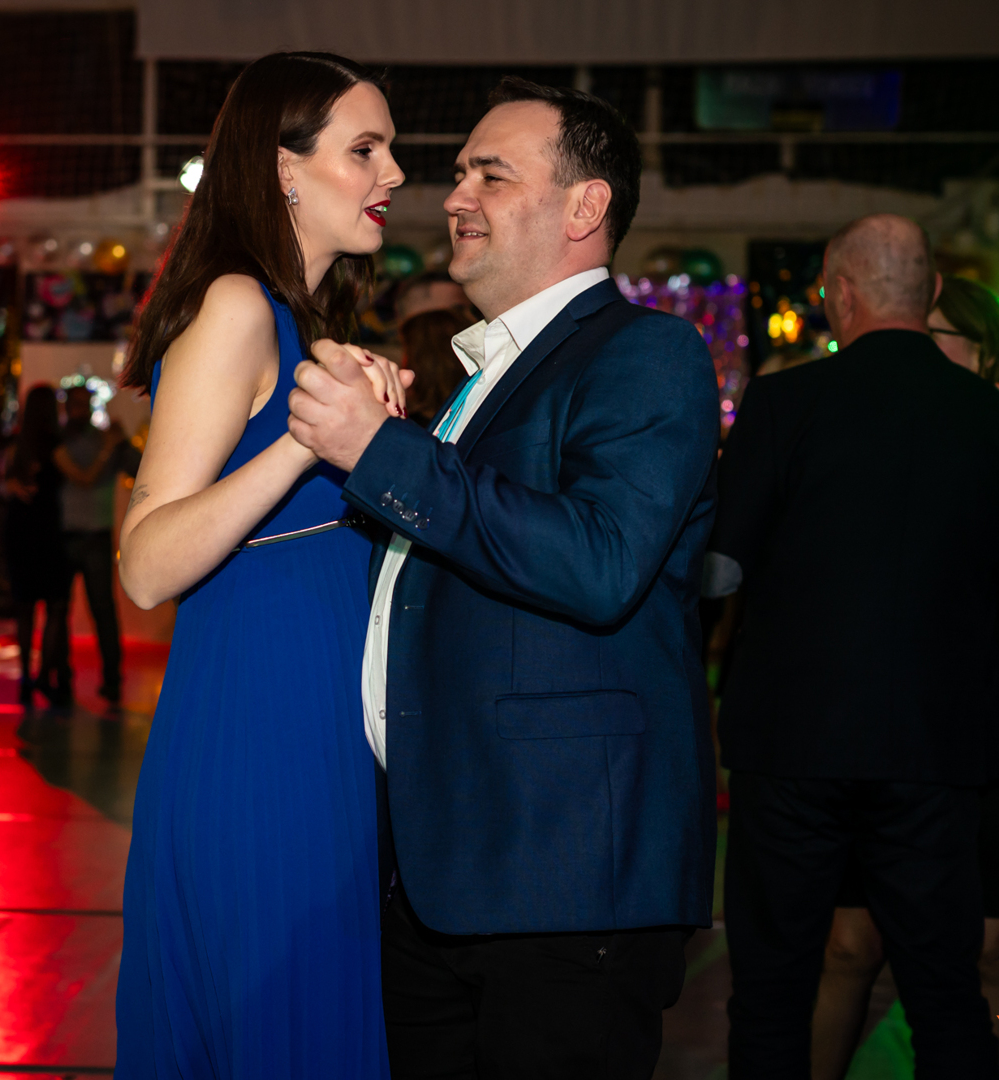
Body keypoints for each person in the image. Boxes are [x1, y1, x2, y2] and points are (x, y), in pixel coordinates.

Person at [287, 77, 719, 1077]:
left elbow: (600, 562)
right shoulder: (486, 378)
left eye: (492, 174)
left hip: (561, 871)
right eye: (459, 174)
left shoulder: (646, 352)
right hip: (443, 865)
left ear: (585, 206)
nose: (454, 197)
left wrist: (378, 452)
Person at [705, 215, 999, 1079]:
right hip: (935, 752)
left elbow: (718, 569)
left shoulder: (783, 403)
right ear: (932, 290)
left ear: (836, 294)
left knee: (771, 990)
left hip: (789, 747)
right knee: (943, 991)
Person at [113, 52, 409, 1077]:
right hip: (258, 733)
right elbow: (146, 563)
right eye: (364, 149)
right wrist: (307, 436)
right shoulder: (238, 305)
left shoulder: (303, 323)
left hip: (320, 729)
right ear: (285, 167)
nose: (393, 174)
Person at [809, 276, 999, 1080]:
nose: (914, 347)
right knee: (849, 944)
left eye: (937, 334)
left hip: (996, 727)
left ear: (984, 355)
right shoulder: (869, 431)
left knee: (994, 948)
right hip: (882, 722)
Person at [53, 384, 141, 703]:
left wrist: (123, 441)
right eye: (73, 403)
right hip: (65, 535)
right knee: (61, 612)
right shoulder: (60, 440)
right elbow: (84, 478)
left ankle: (112, 679)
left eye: (82, 403)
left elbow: (139, 467)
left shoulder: (106, 439)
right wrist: (113, 445)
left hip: (95, 534)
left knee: (102, 610)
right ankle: (63, 679)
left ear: (91, 406)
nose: (77, 409)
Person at [4, 384, 74, 709]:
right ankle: (45, 674)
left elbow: (4, 484)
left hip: (19, 531)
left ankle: (24, 677)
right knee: (56, 606)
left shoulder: (16, 448)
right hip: (48, 532)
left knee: (25, 608)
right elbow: (82, 477)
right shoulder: (56, 448)